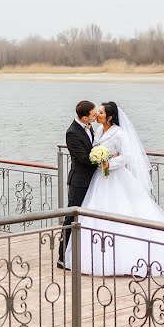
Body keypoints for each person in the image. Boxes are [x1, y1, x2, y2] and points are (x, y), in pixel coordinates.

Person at [63, 101, 164, 276]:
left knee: (122, 211)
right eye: (96, 112)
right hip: (98, 179)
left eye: (101, 112)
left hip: (115, 176)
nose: (97, 114)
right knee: (93, 214)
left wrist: (107, 163)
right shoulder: (96, 130)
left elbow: (126, 156)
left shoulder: (119, 134)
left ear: (110, 117)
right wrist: (100, 161)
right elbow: (91, 150)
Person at [57, 100, 99, 268]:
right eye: (93, 113)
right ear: (84, 117)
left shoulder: (89, 127)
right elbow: (83, 158)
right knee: (72, 217)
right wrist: (104, 160)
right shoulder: (72, 133)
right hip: (79, 181)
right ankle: (62, 257)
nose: (96, 115)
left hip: (92, 180)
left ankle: (82, 254)